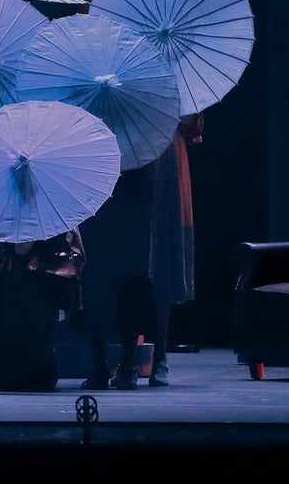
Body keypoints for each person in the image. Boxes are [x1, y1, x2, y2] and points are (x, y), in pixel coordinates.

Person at [75, 113, 204, 389]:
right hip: (108, 158)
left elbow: (193, 125)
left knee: (153, 263)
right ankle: (102, 362)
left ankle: (154, 358)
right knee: (101, 266)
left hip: (158, 163)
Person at [0, 228, 86, 392]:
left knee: (32, 319)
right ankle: (21, 374)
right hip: (20, 274)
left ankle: (31, 374)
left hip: (37, 273)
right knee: (20, 320)